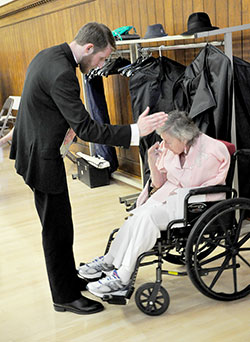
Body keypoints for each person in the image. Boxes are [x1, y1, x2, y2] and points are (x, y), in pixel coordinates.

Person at [9, 22, 168, 315]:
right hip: (41, 157)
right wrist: (136, 130)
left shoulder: (50, 55)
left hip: (35, 147)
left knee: (61, 224)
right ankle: (64, 297)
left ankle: (69, 280)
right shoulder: (62, 73)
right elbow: (87, 128)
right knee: (56, 230)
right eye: (102, 58)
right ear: (89, 48)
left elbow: (47, 106)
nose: (102, 64)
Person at [78, 110, 231, 298]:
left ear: (183, 138)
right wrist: (152, 159)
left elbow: (201, 186)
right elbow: (158, 183)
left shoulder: (211, 152)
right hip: (169, 197)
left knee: (147, 217)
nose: (164, 145)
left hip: (193, 204)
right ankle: (109, 261)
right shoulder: (173, 147)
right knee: (137, 215)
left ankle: (123, 276)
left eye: (168, 141)